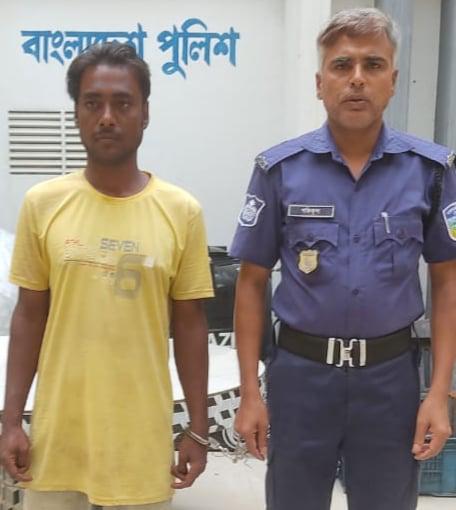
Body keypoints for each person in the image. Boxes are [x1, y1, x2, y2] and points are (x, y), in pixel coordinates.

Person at [230, 8, 456, 510]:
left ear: (392, 81)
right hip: (300, 377)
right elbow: (251, 282)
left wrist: (439, 393)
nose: (357, 78)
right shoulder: (279, 170)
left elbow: (447, 280)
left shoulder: (430, 171)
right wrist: (250, 392)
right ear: (319, 83)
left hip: (390, 380)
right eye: (341, 65)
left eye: (373, 65)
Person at [0, 42, 214, 510]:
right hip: (58, 441)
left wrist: (198, 429)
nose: (107, 117)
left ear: (145, 113)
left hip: (140, 442)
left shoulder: (181, 211)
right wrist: (11, 420)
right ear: (77, 113)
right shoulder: (43, 204)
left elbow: (190, 323)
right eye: (92, 103)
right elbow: (29, 317)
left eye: (123, 103)